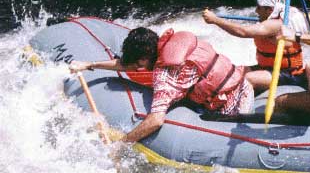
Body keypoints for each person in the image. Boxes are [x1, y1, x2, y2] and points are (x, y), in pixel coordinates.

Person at [70, 26, 254, 143]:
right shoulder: (176, 43)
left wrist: (122, 144)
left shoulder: (165, 77)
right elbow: (126, 64)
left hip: (231, 110)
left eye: (138, 65)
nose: (137, 69)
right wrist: (90, 64)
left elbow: (156, 120)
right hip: (244, 87)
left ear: (145, 57)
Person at [202, 0, 310, 92]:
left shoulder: (275, 24)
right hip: (269, 69)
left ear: (270, 10)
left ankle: (240, 109)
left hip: (289, 75)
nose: (256, 11)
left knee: (248, 78)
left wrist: (215, 20)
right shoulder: (273, 21)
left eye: (259, 7)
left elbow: (243, 32)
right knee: (233, 72)